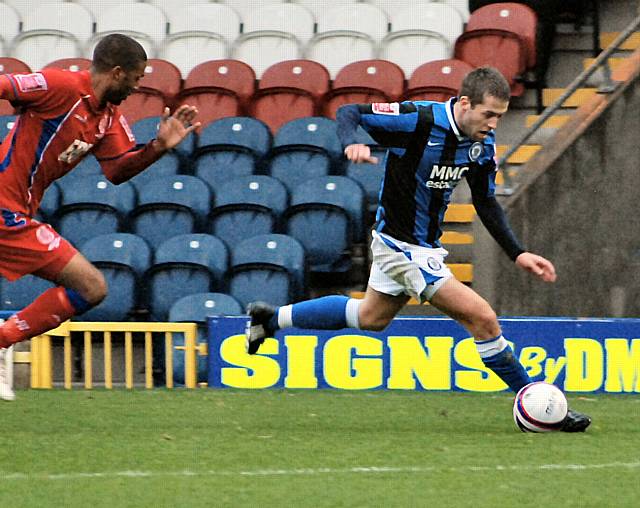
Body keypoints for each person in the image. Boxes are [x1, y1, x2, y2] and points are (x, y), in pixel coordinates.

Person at [246, 67, 591, 432]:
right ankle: (537, 406)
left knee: (371, 318)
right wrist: (353, 141)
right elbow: (350, 113)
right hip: (400, 246)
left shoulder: (480, 145)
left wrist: (517, 252)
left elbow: (485, 202)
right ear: (463, 103)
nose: (493, 124)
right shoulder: (417, 119)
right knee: (483, 319)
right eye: (488, 114)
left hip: (421, 246)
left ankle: (271, 318)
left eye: (500, 117)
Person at [0, 34, 200, 398]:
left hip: (17, 213)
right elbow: (6, 84)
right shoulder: (59, 85)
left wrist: (157, 147)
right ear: (118, 73)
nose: (139, 87)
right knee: (91, 286)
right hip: (3, 210)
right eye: (137, 79)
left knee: (91, 288)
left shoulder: (107, 118)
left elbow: (118, 171)